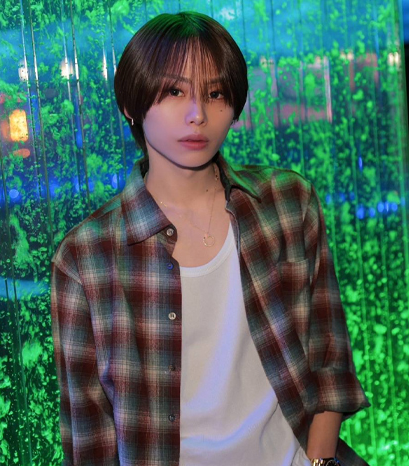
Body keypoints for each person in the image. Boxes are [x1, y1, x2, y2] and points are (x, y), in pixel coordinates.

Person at [50, 11, 369, 466]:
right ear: (131, 105)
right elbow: (89, 436)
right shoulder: (87, 256)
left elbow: (329, 354)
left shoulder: (286, 202)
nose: (197, 114)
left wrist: (319, 461)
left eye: (215, 93)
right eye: (175, 91)